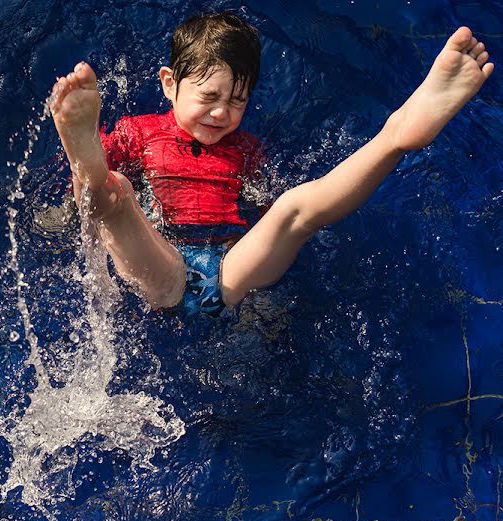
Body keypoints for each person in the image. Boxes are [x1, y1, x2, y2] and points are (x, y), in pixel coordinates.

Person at [49, 12, 494, 317]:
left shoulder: (244, 150)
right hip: (162, 267)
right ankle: (86, 156)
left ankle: (397, 135)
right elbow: (76, 215)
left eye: (237, 101)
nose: (221, 113)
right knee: (117, 195)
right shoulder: (139, 132)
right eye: (208, 97)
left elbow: (263, 211)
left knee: (295, 209)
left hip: (228, 273)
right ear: (169, 83)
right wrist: (55, 219)